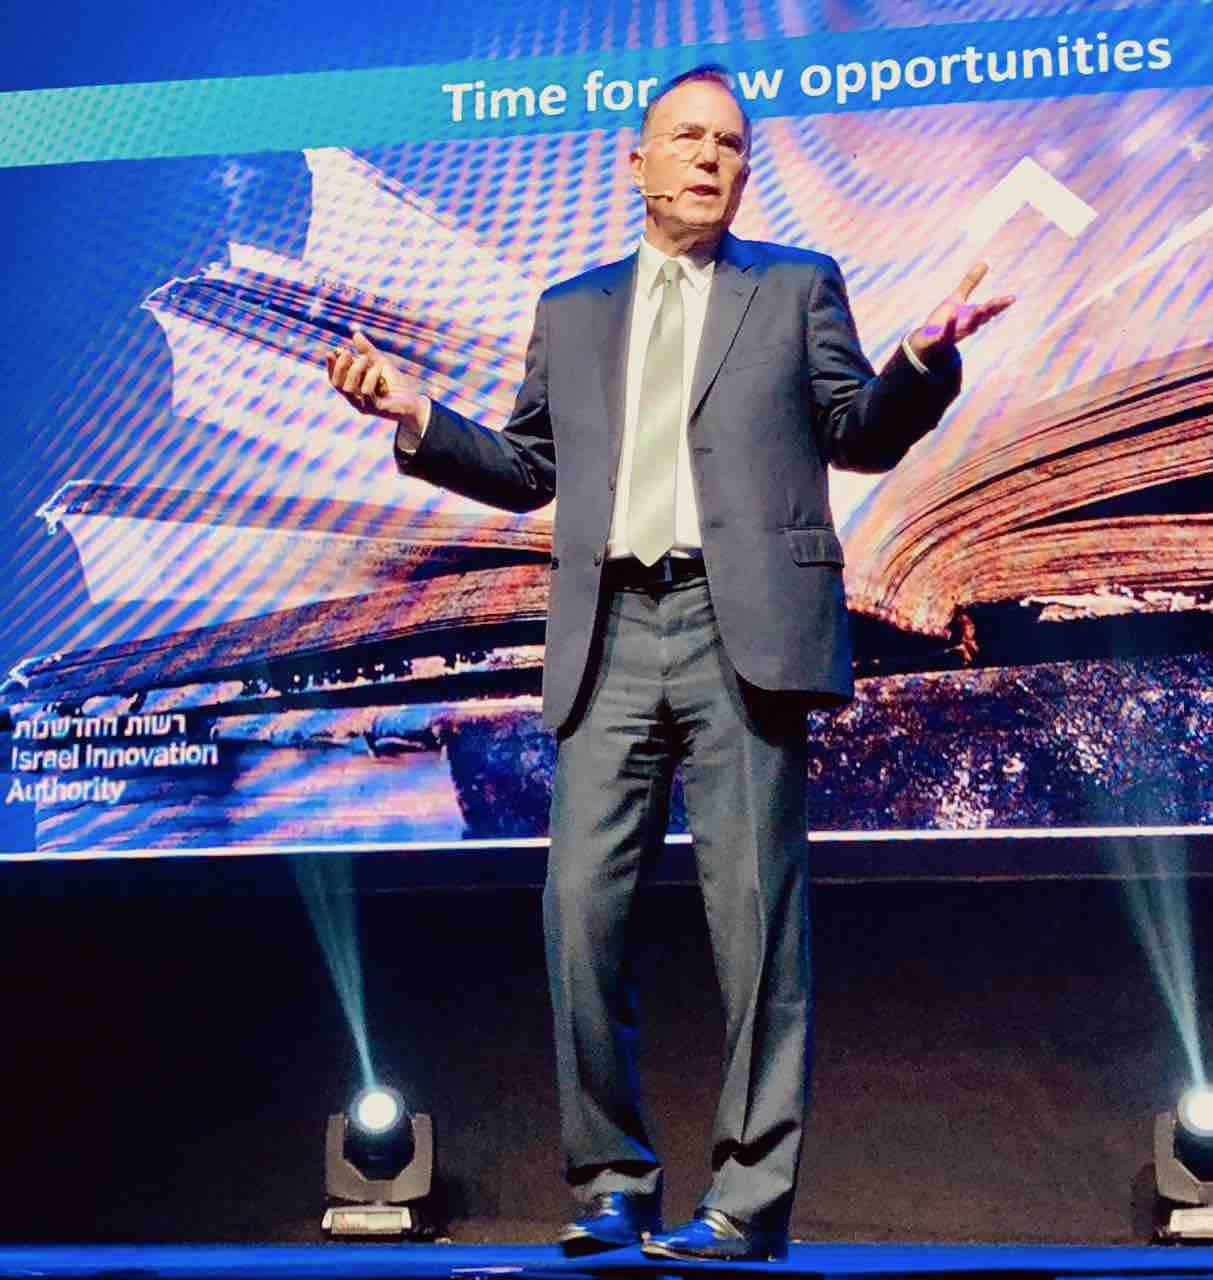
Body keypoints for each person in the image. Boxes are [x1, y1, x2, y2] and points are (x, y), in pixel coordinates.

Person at [327, 64, 1012, 1261]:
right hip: (608, 633)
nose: (709, 157)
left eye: (731, 145)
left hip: (737, 628)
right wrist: (417, 417)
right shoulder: (572, 307)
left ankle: (745, 1200)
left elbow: (856, 433)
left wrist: (920, 356)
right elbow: (529, 468)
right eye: (686, 138)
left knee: (756, 923)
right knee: (578, 915)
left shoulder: (794, 286)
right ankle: (612, 1181)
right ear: (634, 161)